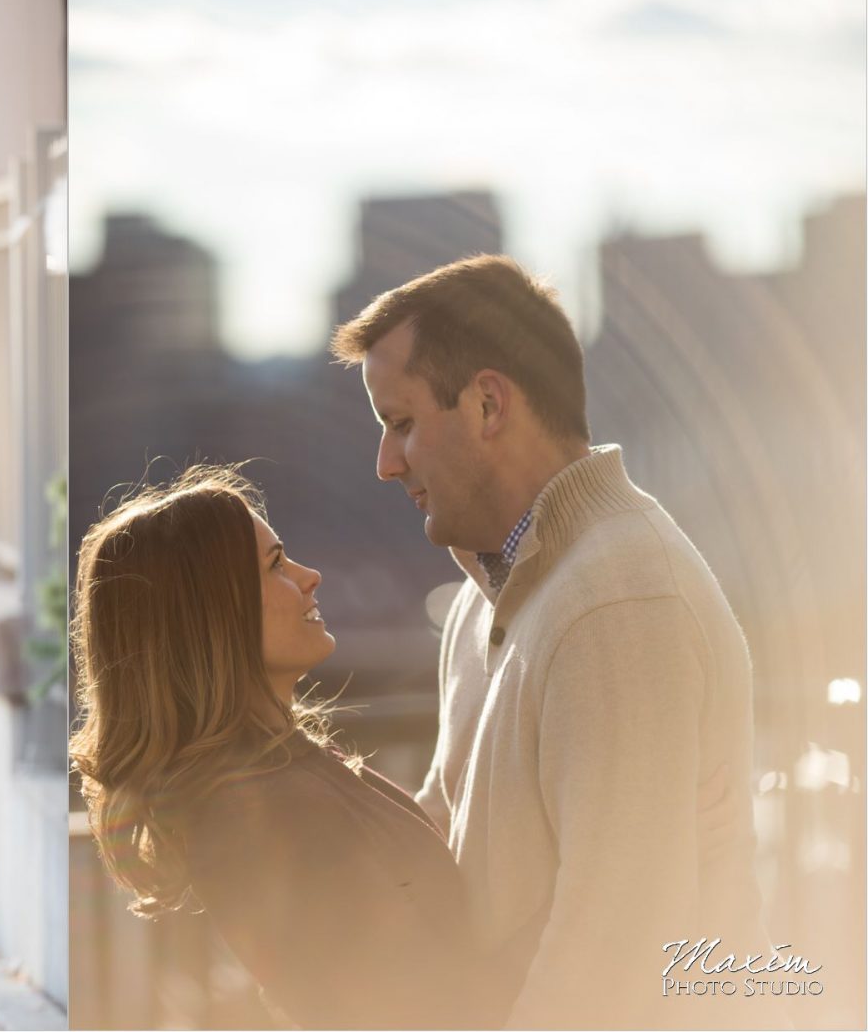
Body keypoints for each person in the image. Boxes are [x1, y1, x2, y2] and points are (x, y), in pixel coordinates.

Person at [331, 254, 781, 1029]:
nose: (384, 463)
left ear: (486, 404)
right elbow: (440, 852)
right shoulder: (489, 600)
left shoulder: (620, 601)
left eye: (401, 423)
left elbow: (612, 960)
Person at [69, 466, 511, 1030]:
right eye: (276, 564)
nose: (310, 576)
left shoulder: (282, 769)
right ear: (212, 615)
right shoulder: (260, 807)